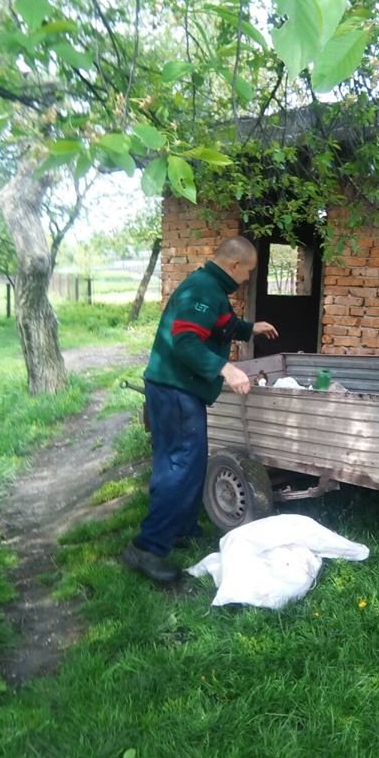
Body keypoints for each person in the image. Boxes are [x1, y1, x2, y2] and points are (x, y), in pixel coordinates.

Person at [123, 236, 278, 584]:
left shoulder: (211, 288)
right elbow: (186, 342)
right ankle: (147, 548)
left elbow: (222, 324)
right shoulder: (202, 289)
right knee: (180, 467)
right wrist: (226, 369)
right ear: (235, 265)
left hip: (176, 388)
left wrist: (249, 329)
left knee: (183, 464)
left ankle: (179, 527)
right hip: (176, 390)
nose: (248, 278)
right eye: (249, 271)